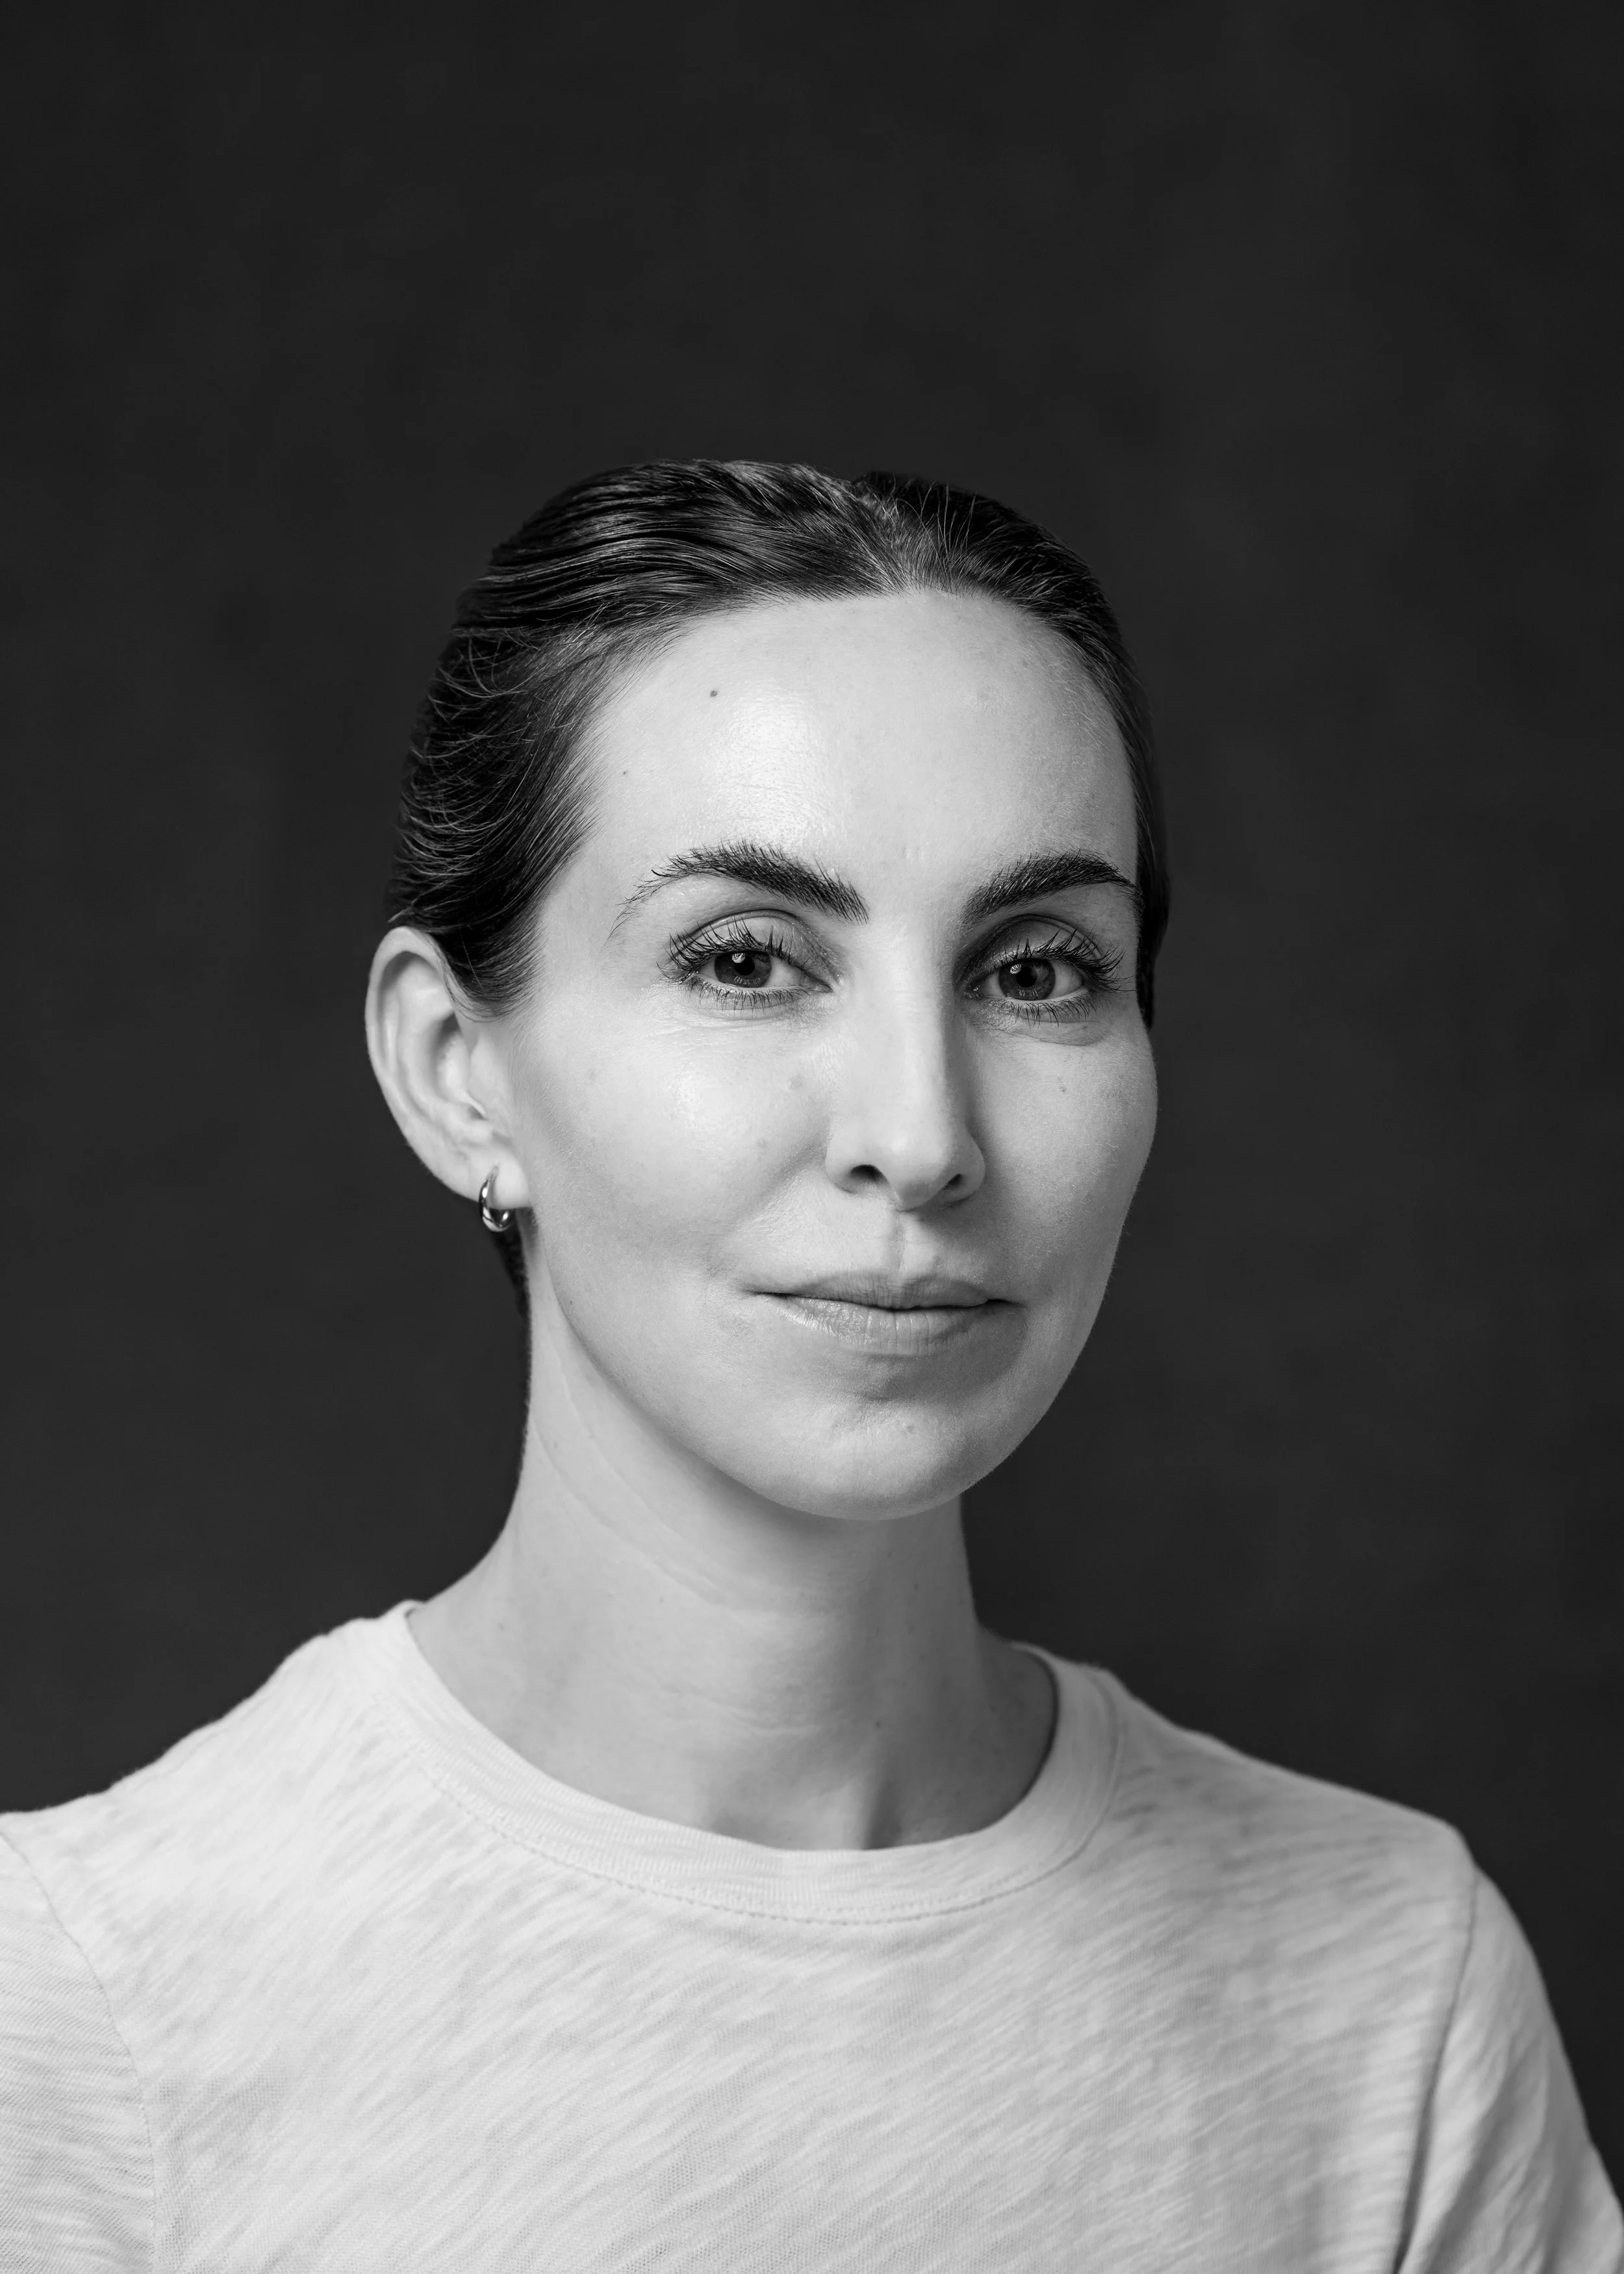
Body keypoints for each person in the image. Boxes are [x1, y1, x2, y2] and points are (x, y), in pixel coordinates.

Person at [0, 460, 1616, 2271]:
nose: (919, 1136)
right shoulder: (77, 2014)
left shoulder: (1388, 1992)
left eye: (1034, 970)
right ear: (459, 1067)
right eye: (749, 959)